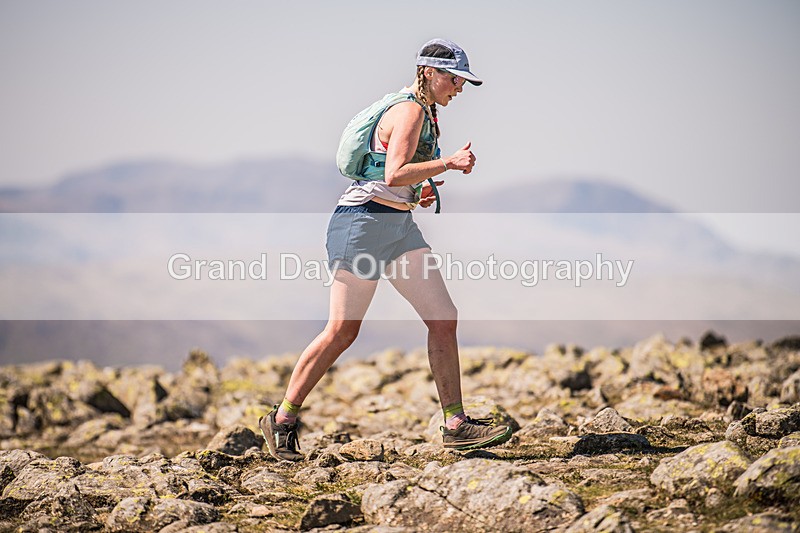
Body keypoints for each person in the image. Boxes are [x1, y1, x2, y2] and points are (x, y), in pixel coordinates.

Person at [259, 38, 512, 461]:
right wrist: (446, 163)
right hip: (362, 225)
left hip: (398, 226)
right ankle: (282, 419)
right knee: (342, 330)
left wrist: (421, 191)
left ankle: (455, 425)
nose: (460, 87)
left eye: (464, 81)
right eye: (454, 78)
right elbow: (394, 173)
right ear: (429, 73)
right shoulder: (410, 110)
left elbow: (397, 179)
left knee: (443, 318)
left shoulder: (426, 113)